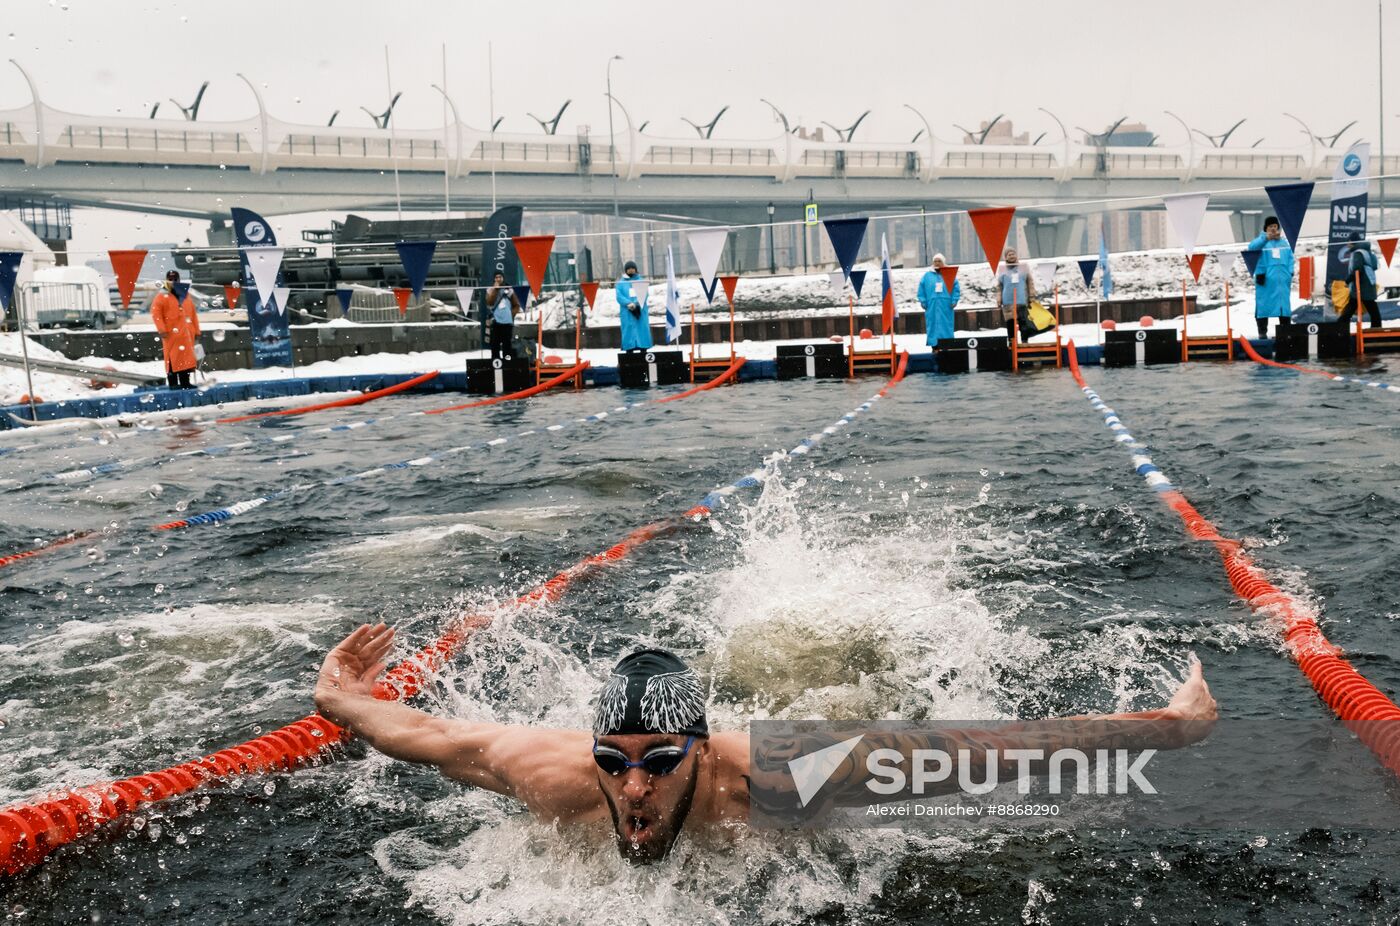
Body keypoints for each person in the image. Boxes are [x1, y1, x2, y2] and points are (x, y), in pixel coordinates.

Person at [314, 622, 1218, 865]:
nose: (633, 788)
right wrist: (342, 700)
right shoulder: (549, 777)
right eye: (615, 761)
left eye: (661, 761)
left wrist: (1168, 732)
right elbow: (425, 733)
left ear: (700, 755)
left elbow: (984, 748)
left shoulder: (781, 777)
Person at [150, 270, 200, 389]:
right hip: (170, 334)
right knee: (172, 359)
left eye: (175, 279)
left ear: (179, 280)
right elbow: (156, 314)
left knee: (186, 359)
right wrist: (162, 330)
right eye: (170, 279)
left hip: (186, 334)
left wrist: (197, 331)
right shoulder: (161, 296)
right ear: (166, 279)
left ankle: (185, 382)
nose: (172, 281)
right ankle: (173, 384)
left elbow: (193, 314)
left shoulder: (185, 295)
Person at [1248, 216, 1294, 339]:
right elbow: (1251, 248)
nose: (1273, 229)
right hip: (1266, 280)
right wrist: (1265, 238)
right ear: (1266, 228)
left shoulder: (1284, 243)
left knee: (1283, 306)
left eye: (1275, 226)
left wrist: (1290, 272)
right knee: (1263, 306)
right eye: (1270, 227)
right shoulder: (1261, 241)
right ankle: (1262, 332)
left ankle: (1285, 332)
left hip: (1282, 282)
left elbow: (1290, 258)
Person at [1337, 234, 1383, 331]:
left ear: (1352, 241)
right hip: (1368, 283)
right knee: (1370, 306)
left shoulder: (1357, 253)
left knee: (1352, 307)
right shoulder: (1368, 252)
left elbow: (1357, 270)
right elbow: (1374, 266)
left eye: (1348, 241)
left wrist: (1347, 281)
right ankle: (1376, 327)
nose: (1347, 243)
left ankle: (1338, 327)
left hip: (1361, 285)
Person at [916, 253, 961, 346]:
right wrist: (923, 301)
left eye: (939, 261)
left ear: (943, 262)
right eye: (935, 261)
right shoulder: (927, 276)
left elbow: (956, 288)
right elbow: (921, 289)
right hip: (931, 305)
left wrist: (954, 300)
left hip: (946, 305)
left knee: (946, 325)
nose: (937, 263)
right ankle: (934, 345)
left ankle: (947, 344)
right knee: (932, 325)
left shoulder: (949, 274)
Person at [994, 249, 1036, 342]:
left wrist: (1031, 296)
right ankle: (1012, 342)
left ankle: (1024, 342)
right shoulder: (1002, 269)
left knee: (1023, 323)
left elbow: (1030, 282)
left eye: (1013, 254)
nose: (1011, 256)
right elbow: (999, 286)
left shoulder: (1024, 267)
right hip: (1007, 302)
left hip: (1021, 300)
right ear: (1006, 257)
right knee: (1010, 324)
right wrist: (998, 298)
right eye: (1009, 254)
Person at [483, 272, 521, 361]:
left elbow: (516, 305)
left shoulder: (509, 290)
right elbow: (489, 302)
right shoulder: (490, 290)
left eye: (500, 277)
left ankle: (507, 362)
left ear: (503, 278)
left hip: (507, 322)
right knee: (495, 344)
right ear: (494, 279)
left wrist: (511, 314)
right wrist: (496, 290)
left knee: (507, 344)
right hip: (495, 321)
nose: (498, 279)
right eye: (496, 277)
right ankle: (495, 362)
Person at [615, 261, 653, 352]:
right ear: (626, 270)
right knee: (628, 330)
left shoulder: (641, 281)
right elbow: (619, 296)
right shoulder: (620, 283)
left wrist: (636, 304)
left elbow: (645, 294)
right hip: (626, 311)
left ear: (636, 269)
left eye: (633, 268)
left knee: (642, 329)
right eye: (629, 268)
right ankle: (629, 349)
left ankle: (643, 349)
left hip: (640, 310)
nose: (631, 270)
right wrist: (628, 303)